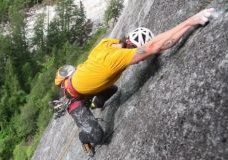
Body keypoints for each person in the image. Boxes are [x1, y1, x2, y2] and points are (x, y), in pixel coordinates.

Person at [53, 8, 215, 156]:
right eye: (137, 57)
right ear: (133, 48)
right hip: (74, 99)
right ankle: (84, 137)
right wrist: (190, 22)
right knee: (99, 136)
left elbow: (136, 47)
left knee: (112, 89)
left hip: (81, 85)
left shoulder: (107, 44)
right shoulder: (116, 60)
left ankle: (94, 104)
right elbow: (155, 47)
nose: (138, 61)